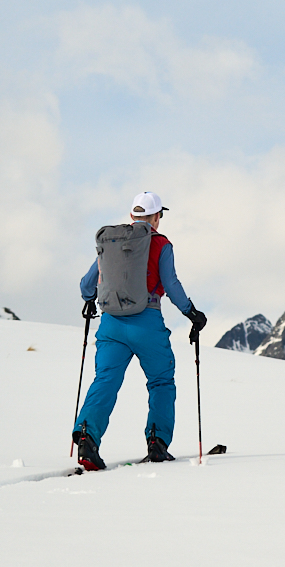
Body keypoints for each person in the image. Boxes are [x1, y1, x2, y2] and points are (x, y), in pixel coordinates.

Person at [75, 191, 207, 468]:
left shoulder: (112, 242)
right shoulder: (160, 244)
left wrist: (89, 300)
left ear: (132, 215)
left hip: (111, 324)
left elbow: (87, 284)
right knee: (161, 382)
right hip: (147, 321)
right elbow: (171, 284)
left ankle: (87, 438)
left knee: (105, 380)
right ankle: (157, 443)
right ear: (157, 216)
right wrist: (191, 313)